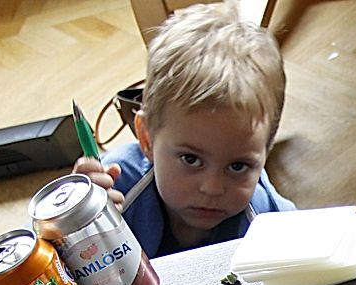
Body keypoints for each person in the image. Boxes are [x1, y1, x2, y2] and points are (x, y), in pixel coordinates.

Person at [73, 1, 295, 258]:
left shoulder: (275, 222)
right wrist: (68, 223)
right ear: (146, 138)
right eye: (191, 159)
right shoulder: (111, 187)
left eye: (238, 166)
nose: (212, 188)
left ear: (265, 151)